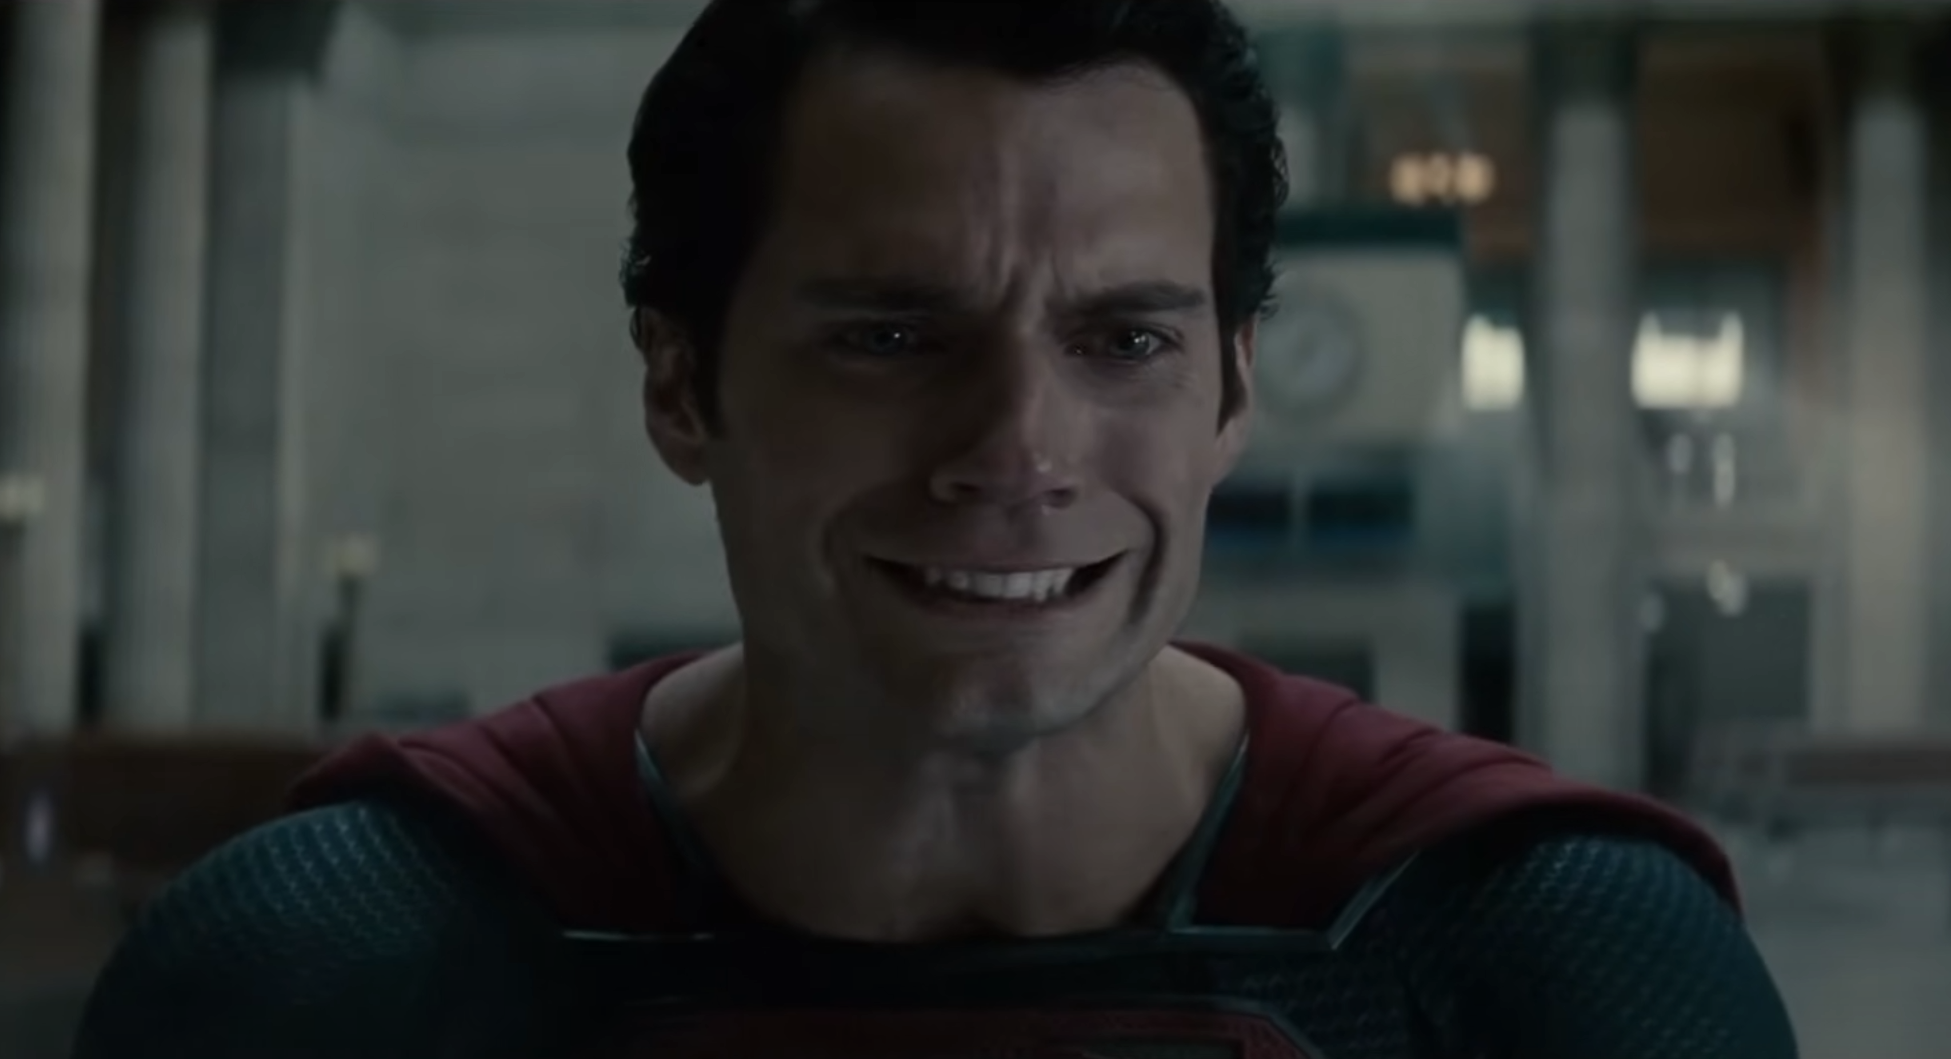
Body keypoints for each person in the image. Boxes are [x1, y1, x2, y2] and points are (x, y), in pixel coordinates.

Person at [74, 2, 1797, 1056]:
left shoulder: (1549, 961)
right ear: (680, 383)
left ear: (1230, 390)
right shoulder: (327, 963)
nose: (1014, 450)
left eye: (1122, 339)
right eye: (892, 336)